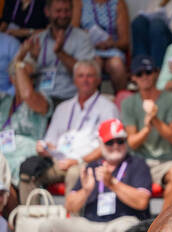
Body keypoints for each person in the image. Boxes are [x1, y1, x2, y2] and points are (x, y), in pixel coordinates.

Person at [37, 118, 152, 232]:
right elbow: (70, 206)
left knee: (130, 229)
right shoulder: (91, 166)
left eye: (120, 141)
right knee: (48, 227)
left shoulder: (137, 164)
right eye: (110, 142)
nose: (115, 146)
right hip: (89, 224)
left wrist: (112, 182)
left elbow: (142, 201)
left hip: (120, 222)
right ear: (101, 144)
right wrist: (85, 190)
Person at [18, 59, 118, 204]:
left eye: (89, 76)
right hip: (57, 162)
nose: (85, 80)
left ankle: (70, 221)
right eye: (81, 76)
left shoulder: (108, 108)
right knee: (28, 170)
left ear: (98, 80)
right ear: (74, 80)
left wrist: (77, 160)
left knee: (75, 173)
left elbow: (109, 146)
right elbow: (50, 140)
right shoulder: (63, 108)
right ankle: (31, 218)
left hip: (85, 163)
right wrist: (45, 148)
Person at [121, 55, 172, 212]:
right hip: (138, 161)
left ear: (156, 73)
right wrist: (147, 128)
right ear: (133, 77)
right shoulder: (128, 102)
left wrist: (154, 118)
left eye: (148, 72)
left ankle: (162, 222)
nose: (145, 77)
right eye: (139, 73)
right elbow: (132, 143)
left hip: (166, 160)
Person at [25, 0, 95, 105]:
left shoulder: (83, 38)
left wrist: (60, 52)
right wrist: (33, 60)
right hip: (41, 98)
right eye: (58, 11)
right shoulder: (37, 39)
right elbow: (23, 75)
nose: (63, 15)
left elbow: (85, 74)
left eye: (67, 11)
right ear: (47, 12)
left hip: (69, 98)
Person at [1, 48, 53, 187]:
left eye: (33, 77)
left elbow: (27, 94)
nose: (31, 80)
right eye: (25, 75)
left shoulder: (41, 100)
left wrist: (18, 63)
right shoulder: (4, 102)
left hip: (25, 161)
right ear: (12, 79)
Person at [72, 0, 129, 93]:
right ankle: (91, 102)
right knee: (95, 64)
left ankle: (122, 102)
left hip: (112, 49)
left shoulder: (118, 3)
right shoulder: (80, 2)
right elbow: (73, 32)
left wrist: (111, 44)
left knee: (117, 65)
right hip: (88, 49)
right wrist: (85, 36)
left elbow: (125, 42)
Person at [131, 0, 172, 68]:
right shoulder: (158, 1)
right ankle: (140, 68)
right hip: (155, 37)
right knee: (138, 22)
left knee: (157, 25)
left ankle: (156, 70)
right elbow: (146, 16)